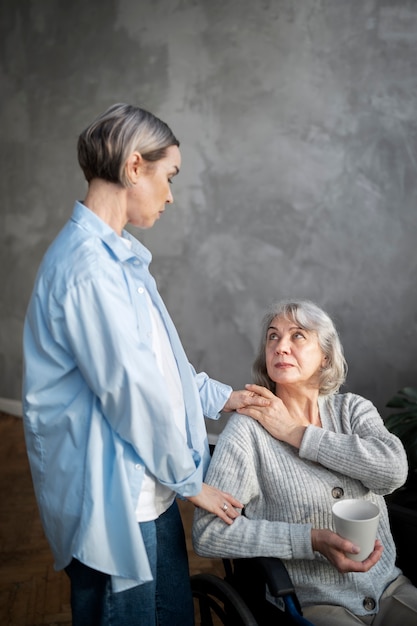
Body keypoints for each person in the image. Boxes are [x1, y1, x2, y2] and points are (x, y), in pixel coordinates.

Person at [22, 103, 267, 626]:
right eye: (168, 176)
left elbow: (160, 368)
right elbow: (132, 394)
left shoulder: (121, 259)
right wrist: (190, 480)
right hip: (114, 502)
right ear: (135, 167)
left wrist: (222, 397)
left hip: (149, 488)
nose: (171, 194)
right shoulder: (88, 270)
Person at [192, 299, 417, 625]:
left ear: (325, 356)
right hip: (312, 603)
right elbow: (209, 533)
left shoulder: (352, 410)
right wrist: (309, 540)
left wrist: (296, 433)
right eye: (273, 336)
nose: (281, 347)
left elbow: (393, 473)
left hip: (389, 588)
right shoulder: (247, 431)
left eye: (297, 336)